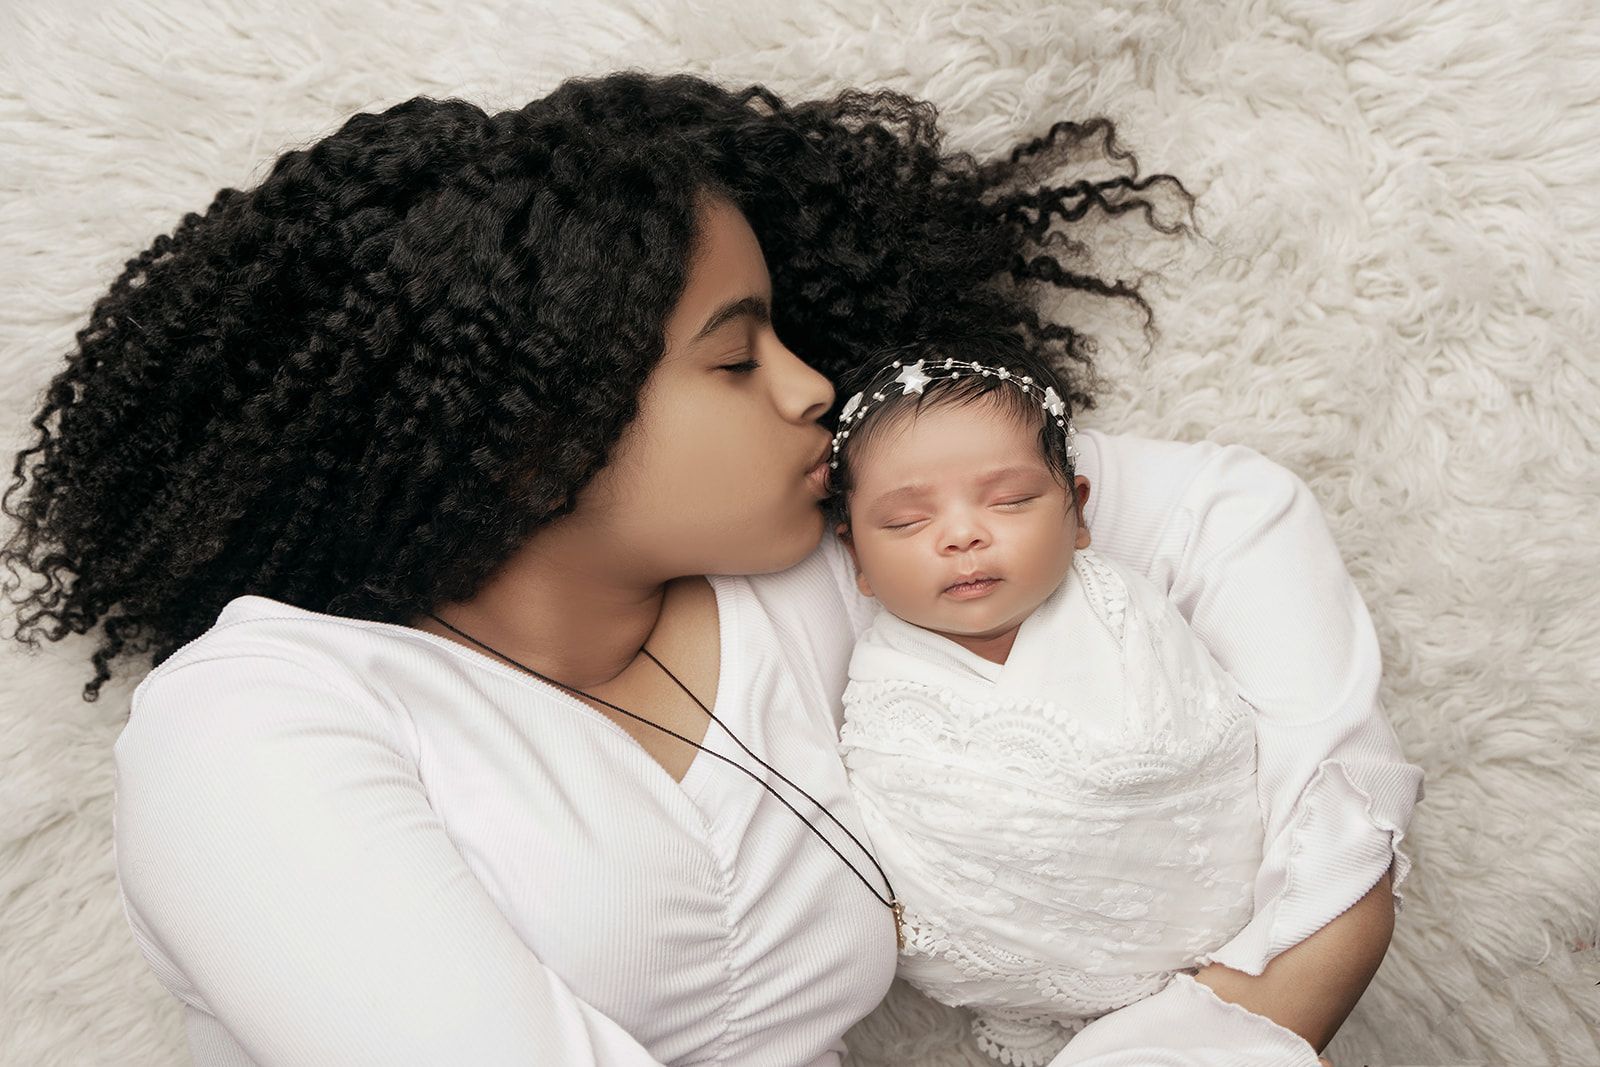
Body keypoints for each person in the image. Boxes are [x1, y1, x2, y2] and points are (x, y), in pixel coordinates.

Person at [0, 71, 1416, 1065]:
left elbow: (1227, 508)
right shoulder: (258, 721)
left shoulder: (817, 578)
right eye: (737, 355)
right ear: (532, 419)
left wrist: (1316, 910)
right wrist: (1252, 1022)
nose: (814, 390)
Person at [823, 333, 1425, 1066]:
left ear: (1078, 516)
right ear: (856, 556)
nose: (963, 534)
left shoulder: (1127, 610)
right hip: (1006, 960)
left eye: (1010, 500)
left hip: (1236, 943)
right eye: (909, 521)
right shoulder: (876, 675)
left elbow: (1212, 748)